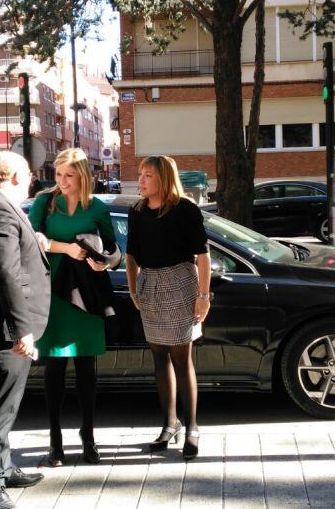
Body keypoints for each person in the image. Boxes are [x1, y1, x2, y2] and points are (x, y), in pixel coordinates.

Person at [0, 151, 51, 509]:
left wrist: (36, 242)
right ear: (15, 175)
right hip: (5, 329)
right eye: (28, 173)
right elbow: (6, 274)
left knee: (8, 403)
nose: (32, 178)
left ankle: (4, 467)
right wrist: (22, 330)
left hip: (6, 326)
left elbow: (11, 256)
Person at [28, 148, 120, 467]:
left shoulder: (96, 206)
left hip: (86, 293)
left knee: (86, 371)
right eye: (58, 175)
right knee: (54, 369)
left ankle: (89, 438)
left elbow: (113, 249)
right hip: (52, 292)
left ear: (82, 175)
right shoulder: (44, 201)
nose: (62, 181)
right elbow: (32, 238)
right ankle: (55, 443)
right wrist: (65, 248)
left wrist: (106, 263)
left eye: (69, 175)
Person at [125, 155, 212, 461]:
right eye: (141, 175)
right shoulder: (135, 211)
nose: (141, 180)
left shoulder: (185, 209)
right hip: (150, 285)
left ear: (163, 178)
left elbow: (202, 255)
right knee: (159, 356)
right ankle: (169, 424)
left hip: (181, 283)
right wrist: (133, 288)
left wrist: (204, 296)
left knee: (181, 357)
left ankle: (192, 427)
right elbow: (131, 255)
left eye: (148, 175)